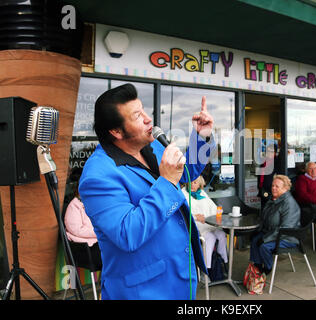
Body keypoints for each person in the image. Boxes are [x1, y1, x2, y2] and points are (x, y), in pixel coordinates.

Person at [78, 83, 216, 300]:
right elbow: (127, 233)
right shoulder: (97, 176)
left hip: (179, 278)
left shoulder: (152, 147)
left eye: (144, 110)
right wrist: (168, 182)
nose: (148, 119)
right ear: (116, 131)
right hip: (143, 290)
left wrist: (201, 137)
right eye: (137, 116)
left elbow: (185, 172)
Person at [250, 174, 301, 275]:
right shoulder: (274, 199)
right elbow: (265, 218)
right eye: (273, 185)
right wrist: (258, 231)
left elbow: (286, 228)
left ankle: (268, 267)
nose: (273, 188)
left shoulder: (289, 204)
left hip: (288, 237)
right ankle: (257, 266)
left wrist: (265, 239)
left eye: (277, 186)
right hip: (272, 232)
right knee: (255, 240)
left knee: (264, 246)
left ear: (285, 188)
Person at [180, 176, 228, 274]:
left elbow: (213, 207)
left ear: (200, 184)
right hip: (197, 225)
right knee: (210, 238)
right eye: (191, 182)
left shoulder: (202, 193)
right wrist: (196, 217)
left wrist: (218, 212)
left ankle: (223, 261)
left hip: (210, 223)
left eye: (195, 183)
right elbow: (183, 214)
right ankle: (206, 269)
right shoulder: (183, 193)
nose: (192, 185)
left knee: (222, 235)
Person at [256, 143, 281, 209]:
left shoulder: (277, 162)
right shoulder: (263, 162)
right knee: (263, 208)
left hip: (271, 191)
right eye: (268, 151)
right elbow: (260, 175)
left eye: (272, 151)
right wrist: (259, 187)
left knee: (270, 209)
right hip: (263, 189)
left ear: (275, 153)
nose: (269, 153)